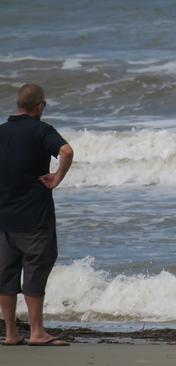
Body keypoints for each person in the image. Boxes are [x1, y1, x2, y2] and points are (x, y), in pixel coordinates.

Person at [0, 84, 74, 346]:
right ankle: (37, 332)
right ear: (39, 106)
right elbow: (66, 151)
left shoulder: (2, 131)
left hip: (4, 219)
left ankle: (10, 334)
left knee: (5, 277)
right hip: (35, 217)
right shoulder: (41, 130)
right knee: (34, 272)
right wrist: (57, 177)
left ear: (19, 104)